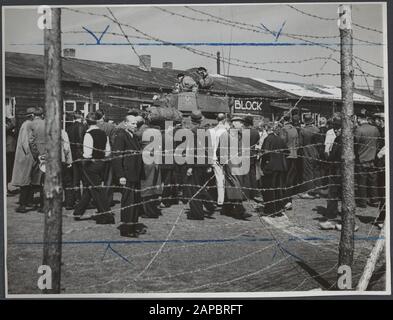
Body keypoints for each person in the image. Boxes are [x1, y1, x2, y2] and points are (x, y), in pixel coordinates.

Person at [73, 112, 113, 224]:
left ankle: (106, 214)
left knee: (97, 189)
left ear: (86, 122)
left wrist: (82, 161)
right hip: (101, 163)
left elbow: (88, 154)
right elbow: (108, 151)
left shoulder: (88, 134)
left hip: (91, 164)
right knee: (89, 188)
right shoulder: (103, 134)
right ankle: (78, 211)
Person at [113, 114, 146, 237]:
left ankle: (133, 225)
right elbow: (117, 157)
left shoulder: (133, 136)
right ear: (125, 123)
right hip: (127, 174)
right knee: (128, 201)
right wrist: (120, 175)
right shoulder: (121, 136)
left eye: (135, 123)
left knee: (135, 201)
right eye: (132, 123)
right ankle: (126, 229)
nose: (135, 125)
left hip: (135, 174)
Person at [183, 110, 216, 220]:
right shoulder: (207, 132)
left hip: (196, 164)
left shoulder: (192, 132)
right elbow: (210, 149)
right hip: (205, 164)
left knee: (193, 188)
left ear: (192, 121)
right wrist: (209, 165)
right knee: (200, 186)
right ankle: (210, 203)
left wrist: (190, 166)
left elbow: (191, 150)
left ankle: (197, 213)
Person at [218, 116, 251, 220]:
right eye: (241, 123)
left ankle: (226, 208)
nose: (242, 125)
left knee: (234, 185)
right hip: (230, 164)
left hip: (240, 164)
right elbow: (220, 151)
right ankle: (239, 210)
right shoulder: (225, 135)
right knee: (235, 185)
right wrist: (224, 164)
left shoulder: (240, 135)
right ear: (234, 123)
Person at [260, 122, 288, 217]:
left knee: (269, 189)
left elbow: (265, 152)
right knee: (278, 188)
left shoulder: (268, 139)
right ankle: (279, 209)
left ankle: (270, 210)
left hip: (270, 166)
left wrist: (264, 163)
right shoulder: (280, 139)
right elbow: (287, 151)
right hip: (280, 166)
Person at [11, 107, 36, 213]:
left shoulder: (26, 124)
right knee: (25, 181)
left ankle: (28, 201)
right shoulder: (28, 125)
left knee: (28, 180)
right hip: (26, 156)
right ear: (33, 116)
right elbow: (26, 142)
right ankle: (23, 204)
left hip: (25, 155)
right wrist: (31, 154)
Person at [354, 111, 380, 208]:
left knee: (362, 182)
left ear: (359, 119)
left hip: (362, 159)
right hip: (372, 158)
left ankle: (362, 202)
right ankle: (374, 201)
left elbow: (355, 144)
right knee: (373, 181)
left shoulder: (358, 130)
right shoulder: (375, 129)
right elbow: (378, 143)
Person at [96, 109, 118, 207]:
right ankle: (108, 200)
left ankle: (96, 199)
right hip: (108, 156)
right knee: (108, 179)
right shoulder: (111, 126)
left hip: (95, 156)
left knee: (96, 179)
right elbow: (113, 142)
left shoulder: (92, 126)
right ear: (103, 116)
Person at [208, 113, 230, 206]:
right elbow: (223, 148)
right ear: (224, 120)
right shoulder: (224, 131)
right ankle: (220, 200)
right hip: (219, 158)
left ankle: (211, 197)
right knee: (220, 179)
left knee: (211, 180)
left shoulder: (211, 130)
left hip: (210, 157)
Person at [67, 110, 87, 206]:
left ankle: (77, 199)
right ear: (81, 116)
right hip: (82, 154)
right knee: (85, 179)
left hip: (72, 155)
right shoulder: (84, 127)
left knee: (75, 179)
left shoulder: (69, 128)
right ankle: (84, 200)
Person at [279, 114, 299, 210]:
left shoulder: (283, 129)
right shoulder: (294, 129)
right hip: (294, 155)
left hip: (286, 156)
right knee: (290, 179)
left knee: (284, 179)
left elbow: (282, 143)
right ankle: (289, 200)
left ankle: (285, 200)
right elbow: (298, 143)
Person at [298, 113, 321, 199]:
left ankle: (309, 192)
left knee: (308, 172)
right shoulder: (317, 129)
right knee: (316, 171)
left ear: (304, 121)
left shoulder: (303, 130)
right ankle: (317, 191)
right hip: (316, 151)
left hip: (307, 151)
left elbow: (300, 143)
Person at [243, 115, 261, 201]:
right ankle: (254, 193)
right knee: (252, 174)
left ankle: (246, 193)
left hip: (245, 154)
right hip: (253, 154)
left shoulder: (243, 132)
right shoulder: (255, 132)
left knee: (245, 175)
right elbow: (257, 142)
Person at [6, 117, 17, 196]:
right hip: (8, 151)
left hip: (11, 151)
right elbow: (11, 126)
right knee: (6, 171)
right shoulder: (6, 128)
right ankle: (5, 190)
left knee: (9, 171)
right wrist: (13, 121)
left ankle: (6, 189)